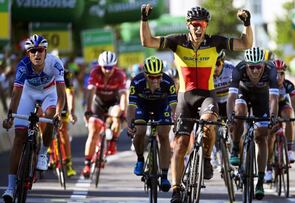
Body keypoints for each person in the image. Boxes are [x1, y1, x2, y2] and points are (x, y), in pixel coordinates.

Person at [139, 4, 253, 202]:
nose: (198, 29)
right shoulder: (177, 41)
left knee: (209, 124)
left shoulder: (215, 42)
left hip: (207, 95)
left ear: (206, 26)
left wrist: (247, 24)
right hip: (185, 97)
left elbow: (246, 44)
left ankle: (207, 159)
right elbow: (147, 41)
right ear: (188, 25)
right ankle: (176, 189)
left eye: (201, 25)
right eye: (194, 25)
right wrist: (144, 20)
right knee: (181, 143)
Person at [2, 34, 66, 202]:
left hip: (49, 92)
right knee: (19, 138)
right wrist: (10, 116)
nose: (37, 54)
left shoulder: (56, 63)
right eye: (32, 51)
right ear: (28, 54)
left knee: (50, 116)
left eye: (40, 50)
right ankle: (10, 187)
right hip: (28, 93)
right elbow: (16, 95)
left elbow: (61, 94)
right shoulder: (23, 66)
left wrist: (59, 113)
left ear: (45, 52)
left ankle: (44, 153)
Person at [227, 47, 279, 200]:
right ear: (246, 65)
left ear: (264, 65)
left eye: (258, 67)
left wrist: (273, 116)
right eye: (252, 67)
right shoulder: (239, 69)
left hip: (262, 97)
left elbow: (274, 98)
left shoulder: (271, 70)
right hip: (244, 93)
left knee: (261, 137)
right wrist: (230, 115)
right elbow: (231, 96)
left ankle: (260, 181)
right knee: (239, 112)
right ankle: (236, 147)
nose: (255, 71)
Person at [127, 56, 177, 192]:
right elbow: (131, 106)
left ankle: (165, 176)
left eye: (158, 77)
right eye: (152, 77)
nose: (155, 80)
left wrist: (176, 119)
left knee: (163, 135)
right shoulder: (137, 82)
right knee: (140, 131)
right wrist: (130, 124)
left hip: (161, 107)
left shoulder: (168, 81)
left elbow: (174, 105)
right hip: (142, 107)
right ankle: (140, 159)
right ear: (145, 74)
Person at [82, 51, 127, 178]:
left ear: (114, 66)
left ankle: (113, 141)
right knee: (93, 130)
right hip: (98, 103)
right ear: (100, 66)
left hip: (113, 102)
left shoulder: (120, 74)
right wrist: (88, 109)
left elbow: (123, 95)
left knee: (117, 114)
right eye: (105, 67)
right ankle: (87, 163)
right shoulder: (95, 72)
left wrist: (123, 111)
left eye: (110, 67)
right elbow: (90, 92)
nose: (107, 70)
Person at [264, 59, 295, 183]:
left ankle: (289, 149)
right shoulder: (266, 84)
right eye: (276, 73)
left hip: (283, 106)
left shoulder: (288, 85)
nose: (279, 77)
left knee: (288, 115)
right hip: (269, 108)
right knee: (269, 135)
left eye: (282, 73)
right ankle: (268, 168)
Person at [211, 50, 235, 168]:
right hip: (215, 102)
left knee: (234, 126)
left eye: (218, 63)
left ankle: (237, 152)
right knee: (212, 127)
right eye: (212, 63)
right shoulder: (207, 71)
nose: (215, 67)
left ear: (223, 62)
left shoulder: (231, 69)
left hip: (228, 102)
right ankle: (214, 151)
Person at [56, 68, 78, 177]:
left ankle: (68, 163)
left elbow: (70, 94)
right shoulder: (40, 71)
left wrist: (72, 112)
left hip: (61, 100)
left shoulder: (65, 74)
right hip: (46, 99)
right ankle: (49, 151)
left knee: (63, 131)